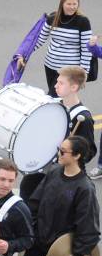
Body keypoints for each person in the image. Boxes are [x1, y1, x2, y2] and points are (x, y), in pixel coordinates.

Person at [20, 136, 101, 256]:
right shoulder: (55, 172)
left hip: (62, 243)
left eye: (63, 151)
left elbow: (88, 224)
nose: (58, 154)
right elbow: (36, 200)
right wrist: (30, 225)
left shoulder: (85, 188)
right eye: (59, 149)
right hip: (41, 233)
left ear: (77, 156)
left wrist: (79, 253)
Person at [22, 65, 95, 197]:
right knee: (27, 189)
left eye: (61, 83)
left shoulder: (83, 118)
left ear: (74, 87)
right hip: (43, 168)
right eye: (57, 82)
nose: (55, 85)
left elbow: (89, 152)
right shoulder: (53, 106)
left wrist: (69, 153)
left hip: (64, 175)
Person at [17, 0, 93, 97]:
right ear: (62, 4)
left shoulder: (83, 22)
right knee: (60, 98)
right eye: (69, 4)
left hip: (69, 70)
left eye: (74, 4)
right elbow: (39, 40)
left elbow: (87, 49)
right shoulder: (52, 19)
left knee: (53, 97)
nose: (72, 7)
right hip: (50, 65)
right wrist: (23, 55)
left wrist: (84, 71)